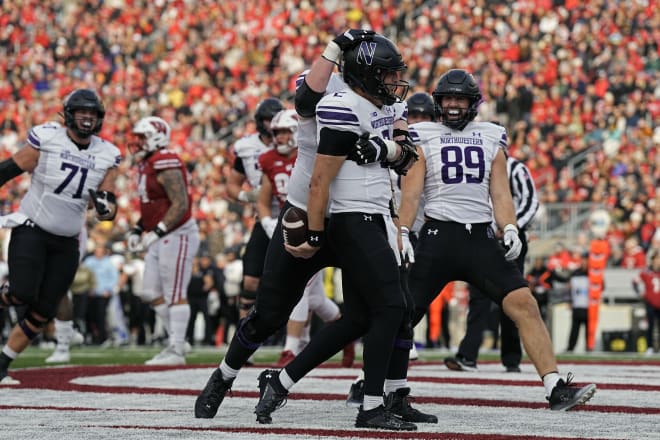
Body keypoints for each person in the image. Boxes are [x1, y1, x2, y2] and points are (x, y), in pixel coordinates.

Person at [194, 30, 422, 429]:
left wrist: (388, 148)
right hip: (306, 212)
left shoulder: (382, 100)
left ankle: (296, 385)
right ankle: (224, 376)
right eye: (385, 74)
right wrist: (334, 48)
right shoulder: (329, 92)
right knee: (268, 314)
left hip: (356, 216)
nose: (393, 83)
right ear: (361, 72)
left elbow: (405, 150)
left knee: (370, 312)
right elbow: (304, 103)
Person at [399, 69, 596, 410]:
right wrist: (402, 230)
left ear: (473, 103)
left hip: (479, 237)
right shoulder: (423, 134)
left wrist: (509, 227)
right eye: (448, 98)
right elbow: (411, 193)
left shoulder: (491, 136)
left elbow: (501, 194)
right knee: (400, 313)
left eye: (460, 98)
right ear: (438, 102)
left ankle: (555, 387)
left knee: (525, 303)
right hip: (438, 235)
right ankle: (370, 385)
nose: (454, 104)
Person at [0, 89, 120, 384]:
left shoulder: (107, 154)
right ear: (68, 114)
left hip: (68, 240)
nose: (87, 118)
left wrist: (106, 209)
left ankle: (2, 363)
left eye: (92, 113)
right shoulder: (49, 138)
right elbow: (9, 169)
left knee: (45, 309)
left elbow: (107, 204)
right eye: (82, 112)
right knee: (22, 293)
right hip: (33, 228)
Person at [254, 108, 346, 368]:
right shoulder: (268, 159)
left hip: (313, 220)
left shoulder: (311, 155)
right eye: (278, 133)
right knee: (315, 297)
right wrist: (268, 222)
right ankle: (343, 332)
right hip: (288, 222)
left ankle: (290, 349)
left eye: (285, 132)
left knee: (302, 287)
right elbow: (263, 200)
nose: (280, 138)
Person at [444, 150, 539, 372]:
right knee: (477, 296)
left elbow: (531, 202)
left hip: (509, 238)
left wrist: (510, 227)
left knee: (512, 295)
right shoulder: (475, 166)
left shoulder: (516, 168)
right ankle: (468, 355)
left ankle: (511, 358)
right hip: (482, 235)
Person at [126, 116, 200, 365]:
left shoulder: (164, 160)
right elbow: (152, 206)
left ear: (156, 137)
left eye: (142, 137)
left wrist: (155, 232)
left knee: (175, 292)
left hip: (177, 233)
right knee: (149, 292)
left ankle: (176, 349)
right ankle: (178, 339)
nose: (136, 142)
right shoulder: (148, 162)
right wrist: (137, 229)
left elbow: (180, 205)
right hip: (162, 233)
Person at [227, 97, 284, 322]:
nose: (271, 125)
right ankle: (243, 334)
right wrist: (246, 195)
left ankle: (296, 339)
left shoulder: (295, 140)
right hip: (264, 216)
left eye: (275, 120)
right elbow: (232, 184)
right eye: (268, 120)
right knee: (250, 280)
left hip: (293, 214)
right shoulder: (246, 147)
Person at [632, 252, 660, 355]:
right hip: (650, 303)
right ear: (652, 260)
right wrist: (639, 293)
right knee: (650, 326)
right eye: (656, 259)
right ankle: (650, 347)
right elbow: (635, 281)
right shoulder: (646, 272)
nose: (658, 262)